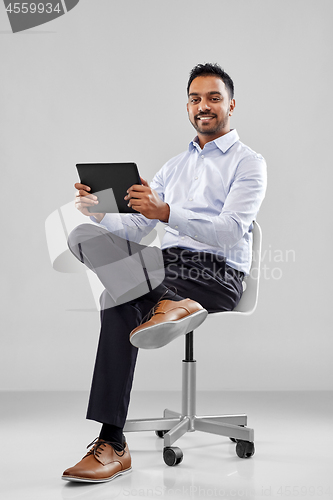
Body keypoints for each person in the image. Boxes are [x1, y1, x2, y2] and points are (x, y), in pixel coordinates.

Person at [62, 63, 267, 482]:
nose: (203, 106)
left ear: (231, 104)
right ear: (187, 106)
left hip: (217, 272)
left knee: (115, 297)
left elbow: (231, 230)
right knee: (83, 233)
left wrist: (168, 210)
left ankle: (112, 443)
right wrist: (103, 212)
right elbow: (140, 227)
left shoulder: (249, 163)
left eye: (213, 97)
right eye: (195, 98)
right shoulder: (173, 167)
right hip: (165, 267)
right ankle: (167, 304)